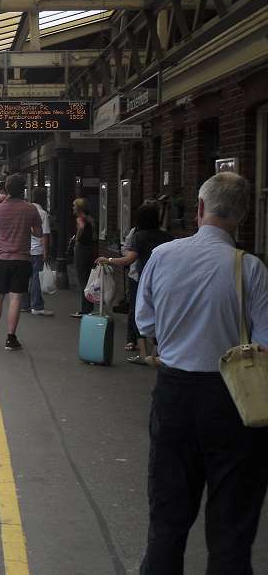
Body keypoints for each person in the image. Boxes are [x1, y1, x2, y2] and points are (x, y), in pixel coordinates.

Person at [135, 173, 268, 574]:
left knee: (167, 519)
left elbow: (145, 322)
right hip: (235, 400)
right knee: (232, 524)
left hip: (174, 393)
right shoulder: (252, 269)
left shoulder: (163, 256)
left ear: (198, 209)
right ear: (242, 216)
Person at [97, 201, 172, 364]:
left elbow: (129, 259)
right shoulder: (166, 236)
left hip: (142, 281)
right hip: (162, 281)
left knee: (140, 314)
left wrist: (108, 260)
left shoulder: (139, 237)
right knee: (160, 315)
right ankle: (156, 352)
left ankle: (144, 355)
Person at [0, 174, 42, 351]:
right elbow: (38, 233)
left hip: (1, 259)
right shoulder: (30, 209)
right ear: (23, 189)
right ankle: (11, 338)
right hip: (22, 260)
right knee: (16, 299)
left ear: (7, 189)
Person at [22, 187, 53, 317]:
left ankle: (25, 304)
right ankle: (37, 306)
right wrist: (46, 252)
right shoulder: (42, 213)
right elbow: (44, 234)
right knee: (36, 278)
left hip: (24, 249)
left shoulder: (25, 210)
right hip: (37, 250)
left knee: (25, 278)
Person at [70, 198, 95, 317]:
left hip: (82, 251)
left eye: (74, 206)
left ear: (79, 208)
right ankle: (89, 307)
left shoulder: (81, 219)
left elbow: (80, 236)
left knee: (82, 280)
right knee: (88, 280)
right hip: (90, 250)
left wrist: (75, 237)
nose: (73, 208)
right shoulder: (90, 219)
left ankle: (85, 310)